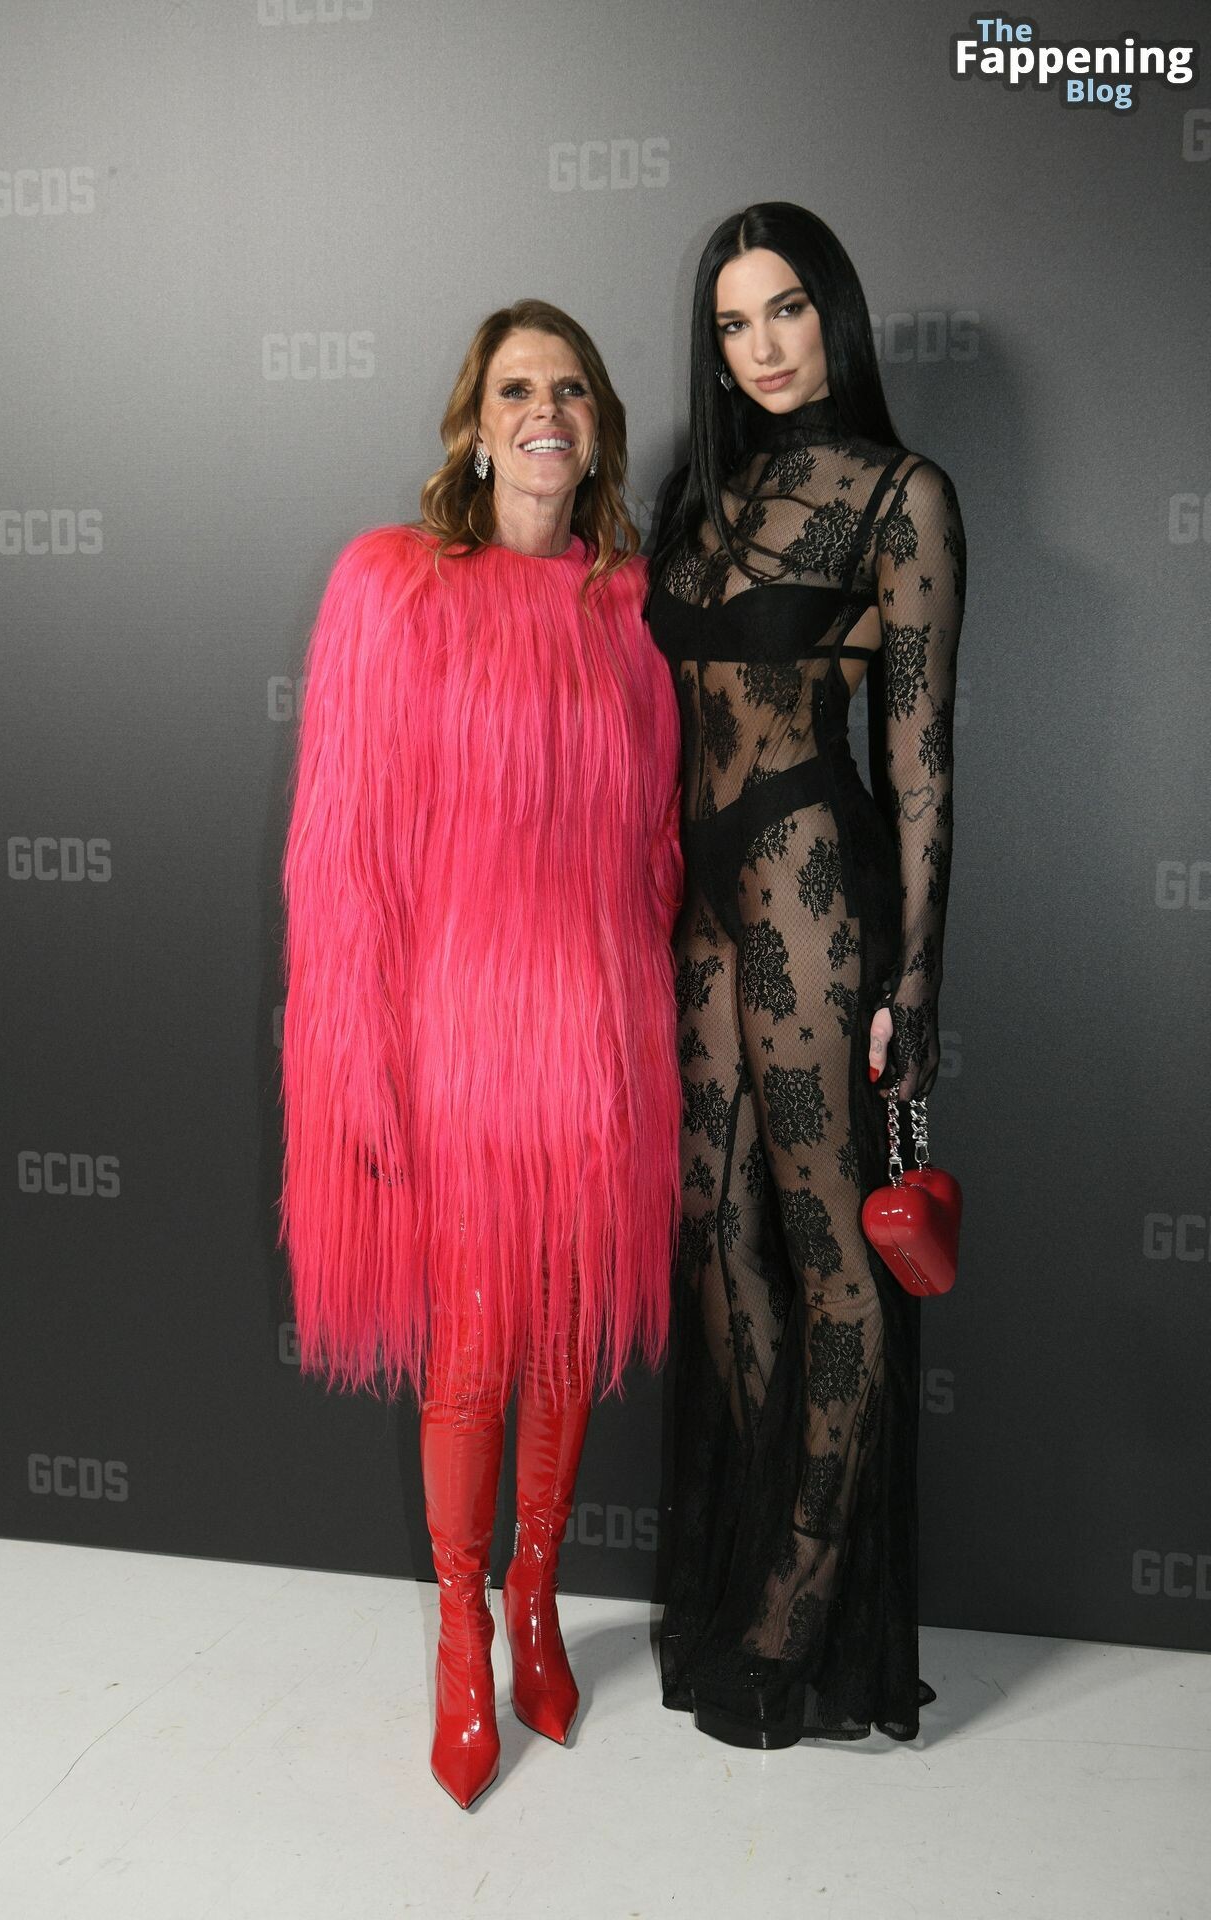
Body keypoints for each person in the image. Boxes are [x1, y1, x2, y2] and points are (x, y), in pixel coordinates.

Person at [278, 299, 682, 1807]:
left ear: (599, 428)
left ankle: (537, 1600)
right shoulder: (393, 587)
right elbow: (345, 853)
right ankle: (461, 1634)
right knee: (467, 1353)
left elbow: (659, 849)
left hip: (601, 1038)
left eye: (570, 388)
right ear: (475, 423)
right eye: (517, 387)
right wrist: (358, 1061)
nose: (544, 411)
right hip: (453, 1041)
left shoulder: (635, 611)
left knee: (564, 1336)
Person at [646, 203, 966, 1747]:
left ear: (833, 310)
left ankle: (798, 1609)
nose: (763, 345)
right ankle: (771, 1552)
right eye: (733, 322)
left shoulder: (903, 498)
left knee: (834, 1253)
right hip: (692, 899)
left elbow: (921, 758)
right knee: (717, 1238)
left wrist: (919, 976)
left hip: (810, 885)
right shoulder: (697, 496)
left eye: (785, 309)